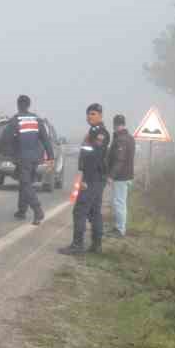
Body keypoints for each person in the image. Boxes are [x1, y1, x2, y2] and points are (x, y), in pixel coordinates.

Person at [60, 103, 110, 255]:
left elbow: (95, 157)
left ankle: (77, 245)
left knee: (80, 210)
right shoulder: (93, 132)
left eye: (93, 114)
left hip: (93, 177)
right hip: (95, 177)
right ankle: (96, 245)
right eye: (88, 114)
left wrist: (86, 180)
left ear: (100, 116)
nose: (90, 116)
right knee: (94, 212)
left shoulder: (100, 133)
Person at [0, 94, 53, 226]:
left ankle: (37, 210)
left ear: (18, 105)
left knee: (25, 184)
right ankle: (21, 211)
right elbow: (46, 140)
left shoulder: (16, 120)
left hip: (23, 158)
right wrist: (51, 157)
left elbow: (5, 138)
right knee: (25, 183)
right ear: (29, 105)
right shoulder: (37, 120)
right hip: (36, 158)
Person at [106, 113, 136, 238]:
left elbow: (119, 160)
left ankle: (120, 230)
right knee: (119, 202)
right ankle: (118, 227)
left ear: (115, 125)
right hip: (126, 175)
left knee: (119, 203)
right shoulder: (129, 138)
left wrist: (111, 176)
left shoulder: (121, 140)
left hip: (121, 177)